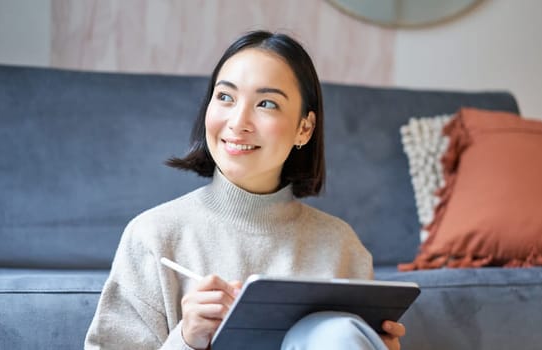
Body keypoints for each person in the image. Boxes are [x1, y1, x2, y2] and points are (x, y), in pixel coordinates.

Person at [84, 30, 406, 350]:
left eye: (266, 103)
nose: (238, 122)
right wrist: (185, 340)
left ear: (304, 128)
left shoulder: (341, 247)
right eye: (225, 97)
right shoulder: (153, 237)